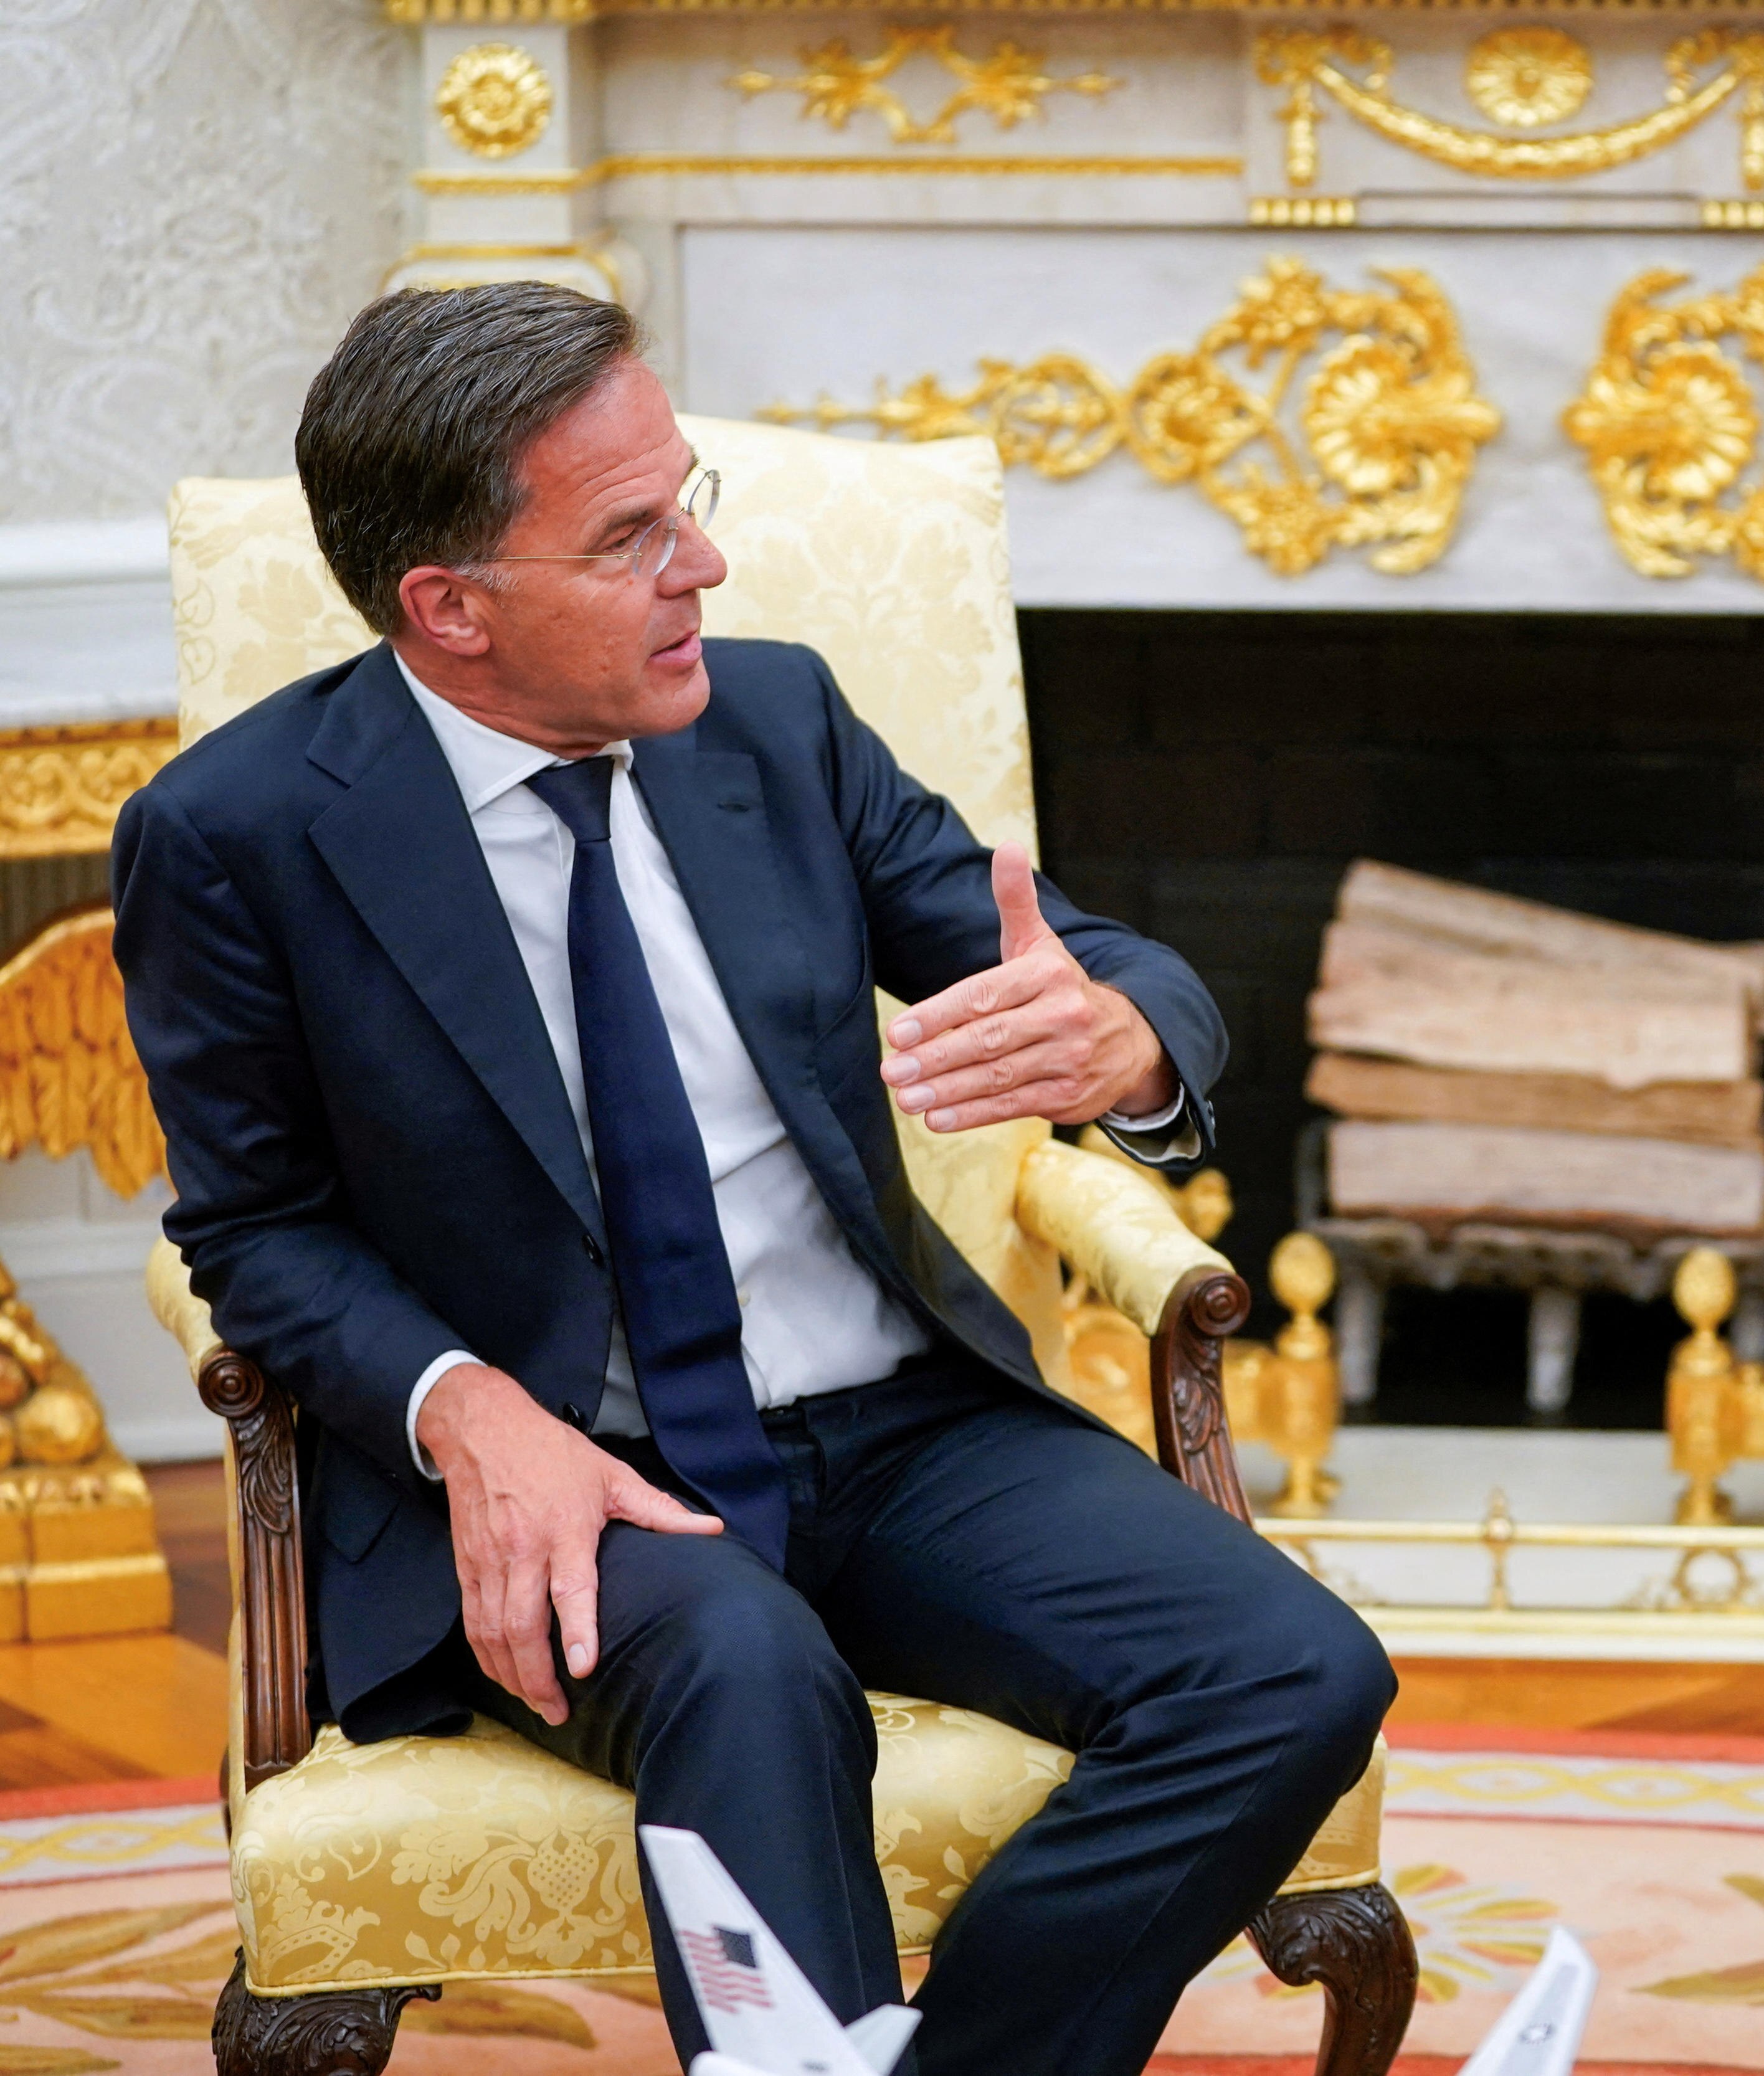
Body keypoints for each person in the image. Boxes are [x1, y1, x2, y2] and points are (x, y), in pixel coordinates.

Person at [112, 282, 1393, 2076]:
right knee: (753, 1680)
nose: (703, 566)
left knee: (1294, 1672)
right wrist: (466, 1408)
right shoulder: (238, 836)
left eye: (687, 499)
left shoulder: (776, 729)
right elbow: (254, 1228)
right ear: (449, 608)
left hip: (898, 1427)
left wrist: (1123, 1041)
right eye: (633, 536)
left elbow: (1079, 962)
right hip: (582, 1470)